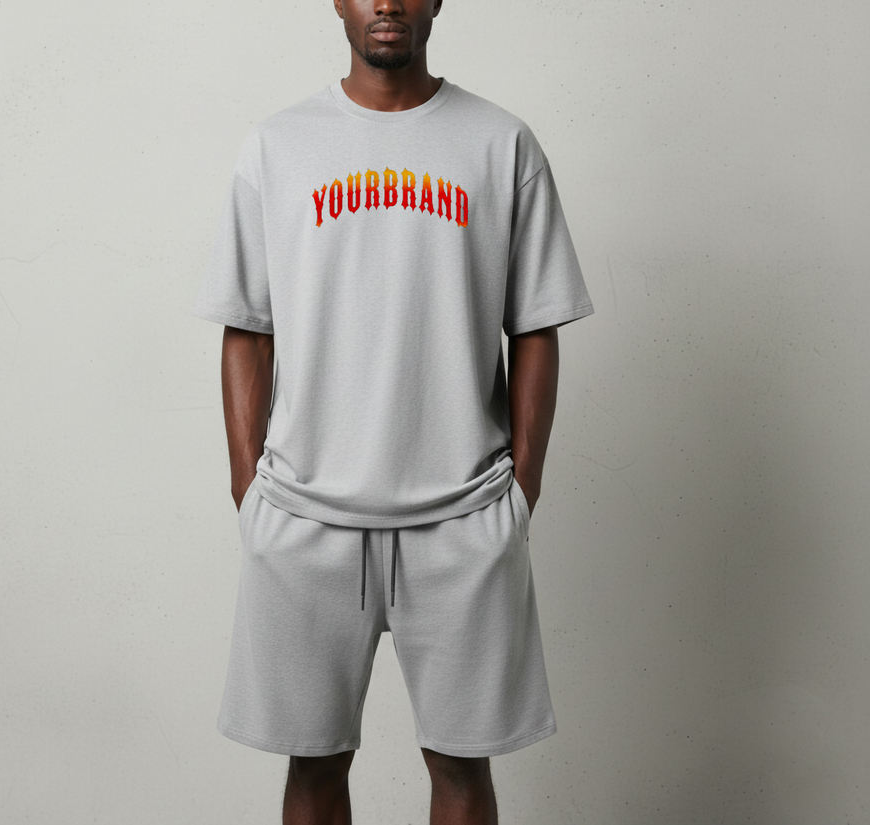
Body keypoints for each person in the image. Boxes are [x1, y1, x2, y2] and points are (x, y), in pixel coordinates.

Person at [191, 1, 594, 822]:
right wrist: (249, 490)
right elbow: (247, 326)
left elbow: (536, 324)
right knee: (313, 765)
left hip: (463, 515)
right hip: (305, 515)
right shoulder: (278, 146)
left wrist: (521, 491)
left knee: (462, 766)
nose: (387, 2)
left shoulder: (500, 143)